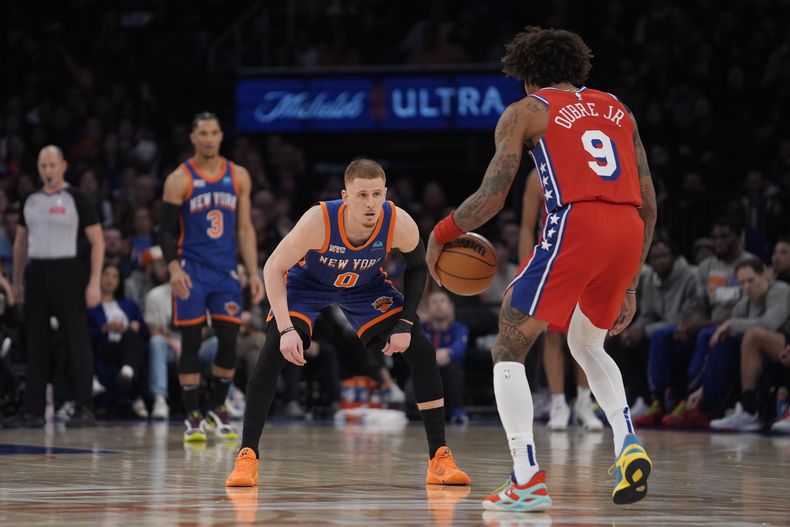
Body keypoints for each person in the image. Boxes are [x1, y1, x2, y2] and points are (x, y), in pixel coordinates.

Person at [426, 27, 657, 510]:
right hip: (629, 227)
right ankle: (627, 440)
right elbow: (650, 204)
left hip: (577, 221)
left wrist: (443, 231)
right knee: (586, 342)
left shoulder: (527, 111)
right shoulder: (619, 108)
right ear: (579, 69)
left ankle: (526, 478)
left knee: (509, 347)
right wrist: (631, 283)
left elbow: (492, 197)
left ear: (525, 74)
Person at [226, 158, 470, 488]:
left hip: (365, 286)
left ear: (386, 194)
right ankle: (247, 457)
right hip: (307, 284)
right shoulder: (318, 220)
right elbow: (272, 268)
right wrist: (285, 329)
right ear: (345, 196)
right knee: (272, 352)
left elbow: (417, 268)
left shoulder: (399, 222)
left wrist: (406, 324)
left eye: (377, 194)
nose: (370, 203)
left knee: (422, 350)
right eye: (362, 195)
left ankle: (439, 457)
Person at [157, 112, 263, 441]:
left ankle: (217, 408)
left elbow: (244, 228)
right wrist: (173, 268)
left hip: (226, 271)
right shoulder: (179, 179)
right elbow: (164, 230)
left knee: (229, 340)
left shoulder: (239, 175)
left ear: (220, 136)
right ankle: (192, 415)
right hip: (192, 270)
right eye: (202, 132)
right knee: (190, 340)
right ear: (192, 137)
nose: (208, 138)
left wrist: (253, 268)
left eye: (214, 132)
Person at [6, 146, 104, 428]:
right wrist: (16, 280)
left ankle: (84, 405)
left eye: (52, 165)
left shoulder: (78, 198)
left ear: (63, 166)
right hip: (37, 273)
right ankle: (33, 409)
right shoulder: (31, 200)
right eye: (43, 166)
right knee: (36, 340)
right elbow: (21, 242)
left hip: (68, 272)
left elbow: (97, 241)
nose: (47, 171)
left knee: (76, 340)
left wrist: (94, 281)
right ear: (38, 168)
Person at [518, 168, 603, 432]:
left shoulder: (589, 168)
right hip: (553, 262)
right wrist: (525, 273)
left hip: (589, 259)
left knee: (586, 337)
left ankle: (583, 402)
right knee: (553, 336)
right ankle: (558, 404)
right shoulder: (537, 175)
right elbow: (526, 227)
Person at [87, 263, 148, 418]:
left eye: (114, 276)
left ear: (119, 281)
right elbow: (86, 332)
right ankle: (132, 396)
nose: (109, 279)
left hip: (126, 346)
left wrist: (135, 326)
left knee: (131, 334)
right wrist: (104, 329)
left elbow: (144, 331)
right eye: (106, 274)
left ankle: (128, 371)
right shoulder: (91, 307)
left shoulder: (128, 305)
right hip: (103, 345)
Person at [421, 290, 470, 424]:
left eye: (442, 301)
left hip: (450, 373)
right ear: (427, 309)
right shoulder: (420, 329)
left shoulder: (460, 329)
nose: (438, 306)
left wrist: (447, 352)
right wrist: (433, 356)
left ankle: (458, 410)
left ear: (451, 307)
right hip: (426, 373)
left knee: (453, 369)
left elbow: (460, 349)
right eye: (434, 302)